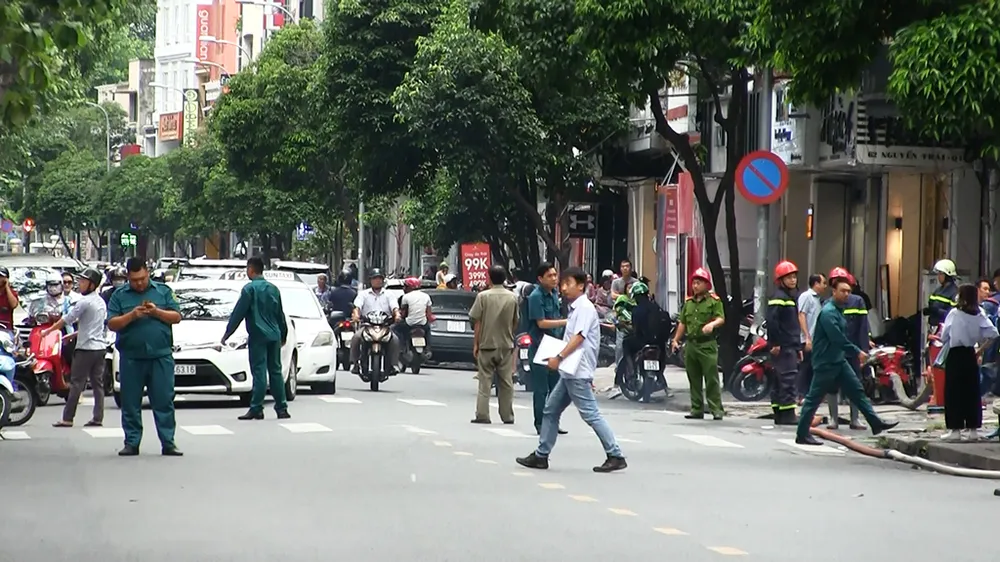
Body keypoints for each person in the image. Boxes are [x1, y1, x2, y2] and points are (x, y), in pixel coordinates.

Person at [515, 267, 627, 473]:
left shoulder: (584, 308)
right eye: (562, 284)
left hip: (577, 372)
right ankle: (541, 455)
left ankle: (615, 454)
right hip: (570, 371)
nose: (564, 288)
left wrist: (558, 358)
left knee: (590, 414)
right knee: (550, 411)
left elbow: (579, 338)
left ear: (581, 286)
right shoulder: (575, 308)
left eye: (568, 284)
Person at [795, 277, 899, 446]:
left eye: (849, 291)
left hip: (838, 360)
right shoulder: (829, 313)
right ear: (834, 292)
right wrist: (857, 352)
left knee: (857, 390)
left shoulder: (838, 310)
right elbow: (837, 338)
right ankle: (802, 433)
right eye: (843, 291)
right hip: (826, 362)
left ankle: (875, 423)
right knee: (814, 398)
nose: (846, 294)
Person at [107, 258, 183, 457]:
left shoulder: (163, 291)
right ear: (128, 277)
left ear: (148, 273)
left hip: (160, 356)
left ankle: (168, 442)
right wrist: (132, 315)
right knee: (130, 403)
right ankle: (131, 442)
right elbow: (112, 323)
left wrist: (156, 312)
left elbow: (176, 316)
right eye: (134, 280)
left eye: (142, 278)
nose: (139, 283)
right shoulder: (119, 296)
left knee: (164, 400)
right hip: (131, 358)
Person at [223, 257, 290, 421]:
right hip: (274, 335)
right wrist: (283, 334)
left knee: (259, 372)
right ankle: (281, 408)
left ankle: (256, 408)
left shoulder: (249, 289)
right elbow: (280, 314)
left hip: (258, 335)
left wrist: (227, 334)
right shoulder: (273, 289)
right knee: (275, 371)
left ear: (251, 270)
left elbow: (238, 313)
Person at [44, 268, 107, 428]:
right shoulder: (100, 302)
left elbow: (67, 319)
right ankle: (98, 417)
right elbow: (93, 327)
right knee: (97, 384)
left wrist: (48, 331)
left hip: (85, 349)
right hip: (99, 348)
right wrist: (72, 335)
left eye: (83, 281)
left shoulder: (84, 302)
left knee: (76, 383)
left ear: (92, 285)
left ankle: (68, 418)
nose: (80, 284)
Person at [937, 284, 998, 442]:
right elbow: (993, 333)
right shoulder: (980, 313)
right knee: (972, 392)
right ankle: (973, 430)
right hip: (971, 353)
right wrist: (981, 350)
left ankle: (955, 430)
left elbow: (944, 336)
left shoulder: (954, 314)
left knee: (954, 392)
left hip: (955, 354)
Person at [671, 267, 725, 420]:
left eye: (699, 283)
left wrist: (712, 325)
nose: (695, 286)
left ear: (707, 285)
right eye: (694, 283)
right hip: (691, 345)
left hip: (707, 345)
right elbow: (683, 323)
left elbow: (721, 318)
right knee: (693, 378)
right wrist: (676, 339)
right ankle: (696, 409)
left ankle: (716, 409)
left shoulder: (714, 301)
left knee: (711, 378)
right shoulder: (689, 303)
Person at [469, 265, 519, 424]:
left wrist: (476, 344)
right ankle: (507, 416)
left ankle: (482, 415)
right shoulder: (512, 297)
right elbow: (515, 321)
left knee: (485, 381)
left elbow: (477, 322)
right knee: (506, 382)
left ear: (489, 278)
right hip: (506, 345)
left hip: (487, 344)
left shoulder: (482, 297)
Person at [526, 262, 568, 435]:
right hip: (540, 346)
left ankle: (553, 422)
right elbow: (541, 323)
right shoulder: (536, 297)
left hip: (555, 346)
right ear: (540, 278)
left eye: (555, 275)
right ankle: (540, 423)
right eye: (549, 276)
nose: (554, 278)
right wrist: (565, 322)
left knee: (555, 389)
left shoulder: (554, 294)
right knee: (541, 389)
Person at [826, 267, 868, 430]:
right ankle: (833, 418)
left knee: (855, 384)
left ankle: (855, 418)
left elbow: (863, 327)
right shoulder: (827, 304)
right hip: (834, 352)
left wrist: (863, 350)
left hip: (853, 351)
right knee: (831, 385)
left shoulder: (858, 302)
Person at [766, 260, 802, 424]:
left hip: (788, 345)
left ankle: (779, 413)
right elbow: (773, 322)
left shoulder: (788, 297)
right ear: (780, 280)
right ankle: (787, 414)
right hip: (784, 346)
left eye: (794, 277)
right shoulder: (780, 298)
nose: (793, 280)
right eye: (789, 277)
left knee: (779, 380)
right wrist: (775, 343)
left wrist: (797, 347)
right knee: (787, 379)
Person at [350, 268, 400, 374]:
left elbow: (394, 307)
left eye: (379, 278)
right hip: (367, 325)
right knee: (356, 338)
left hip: (384, 326)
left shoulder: (389, 294)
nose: (377, 281)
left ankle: (393, 365)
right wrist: (356, 315)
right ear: (370, 280)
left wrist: (397, 314)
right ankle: (355, 364)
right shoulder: (363, 294)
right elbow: (357, 307)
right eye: (375, 278)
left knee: (395, 340)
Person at [796, 273, 827, 401]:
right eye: (823, 283)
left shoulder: (818, 299)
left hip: (816, 340)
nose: (825, 286)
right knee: (806, 367)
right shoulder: (807, 296)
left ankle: (810, 394)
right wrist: (807, 337)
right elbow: (801, 315)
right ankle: (801, 395)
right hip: (808, 340)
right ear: (816, 283)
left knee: (814, 367)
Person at [396, 276, 433, 352]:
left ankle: (402, 346)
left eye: (405, 286)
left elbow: (403, 314)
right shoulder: (426, 296)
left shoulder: (405, 297)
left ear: (410, 287)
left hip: (409, 324)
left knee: (394, 329)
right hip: (423, 323)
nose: (404, 289)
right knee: (428, 330)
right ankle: (428, 347)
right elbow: (429, 313)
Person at [925, 258, 959, 332]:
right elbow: (931, 304)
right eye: (938, 273)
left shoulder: (955, 292)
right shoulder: (938, 290)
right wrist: (928, 310)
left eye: (941, 273)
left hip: (944, 330)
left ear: (948, 275)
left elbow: (953, 315)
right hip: (933, 329)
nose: (938, 276)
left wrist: (937, 311)